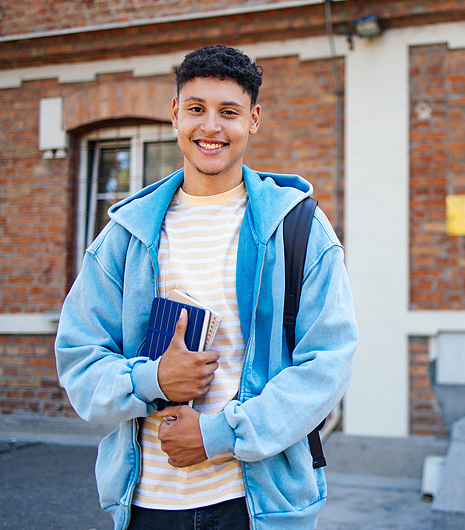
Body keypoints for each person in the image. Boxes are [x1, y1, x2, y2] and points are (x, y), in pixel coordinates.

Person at [55, 44, 358, 530]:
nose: (211, 127)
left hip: (257, 505)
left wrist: (216, 435)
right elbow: (79, 359)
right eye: (196, 109)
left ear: (253, 119)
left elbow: (329, 362)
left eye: (229, 112)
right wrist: (154, 380)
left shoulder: (298, 225)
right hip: (146, 502)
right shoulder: (125, 234)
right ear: (175, 114)